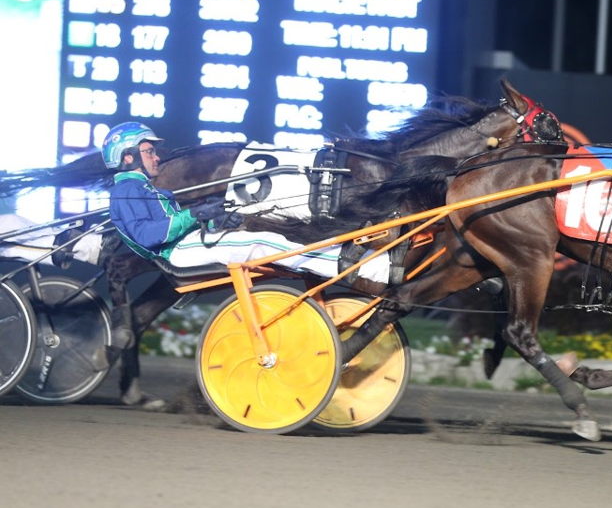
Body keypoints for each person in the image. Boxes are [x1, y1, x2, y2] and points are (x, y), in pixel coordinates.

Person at [101, 122, 395, 409]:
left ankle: (340, 259)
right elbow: (149, 235)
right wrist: (195, 215)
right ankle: (357, 266)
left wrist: (214, 218)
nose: (157, 157)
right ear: (128, 158)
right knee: (262, 243)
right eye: (149, 151)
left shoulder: (142, 187)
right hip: (176, 254)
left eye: (153, 152)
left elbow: (173, 223)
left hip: (188, 244)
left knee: (261, 238)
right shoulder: (126, 190)